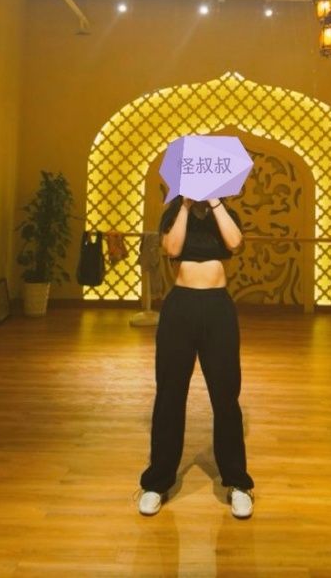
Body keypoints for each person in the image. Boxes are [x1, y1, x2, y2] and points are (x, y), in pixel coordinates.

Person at [138, 195, 255, 519]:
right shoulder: (174, 213)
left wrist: (215, 203)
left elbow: (235, 243)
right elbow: (172, 249)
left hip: (218, 308)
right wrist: (186, 206)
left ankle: (238, 483)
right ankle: (156, 483)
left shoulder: (226, 213)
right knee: (170, 395)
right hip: (181, 308)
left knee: (226, 396)